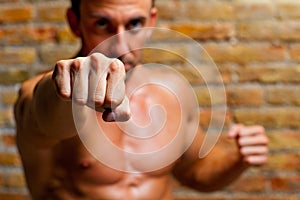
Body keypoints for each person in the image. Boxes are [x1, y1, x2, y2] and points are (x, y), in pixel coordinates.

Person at [14, 0, 269, 199]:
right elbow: (43, 122)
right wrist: (68, 90)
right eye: (102, 24)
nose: (120, 44)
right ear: (75, 22)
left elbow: (196, 174)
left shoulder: (173, 91)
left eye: (135, 23)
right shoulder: (43, 94)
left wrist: (237, 160)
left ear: (151, 21)